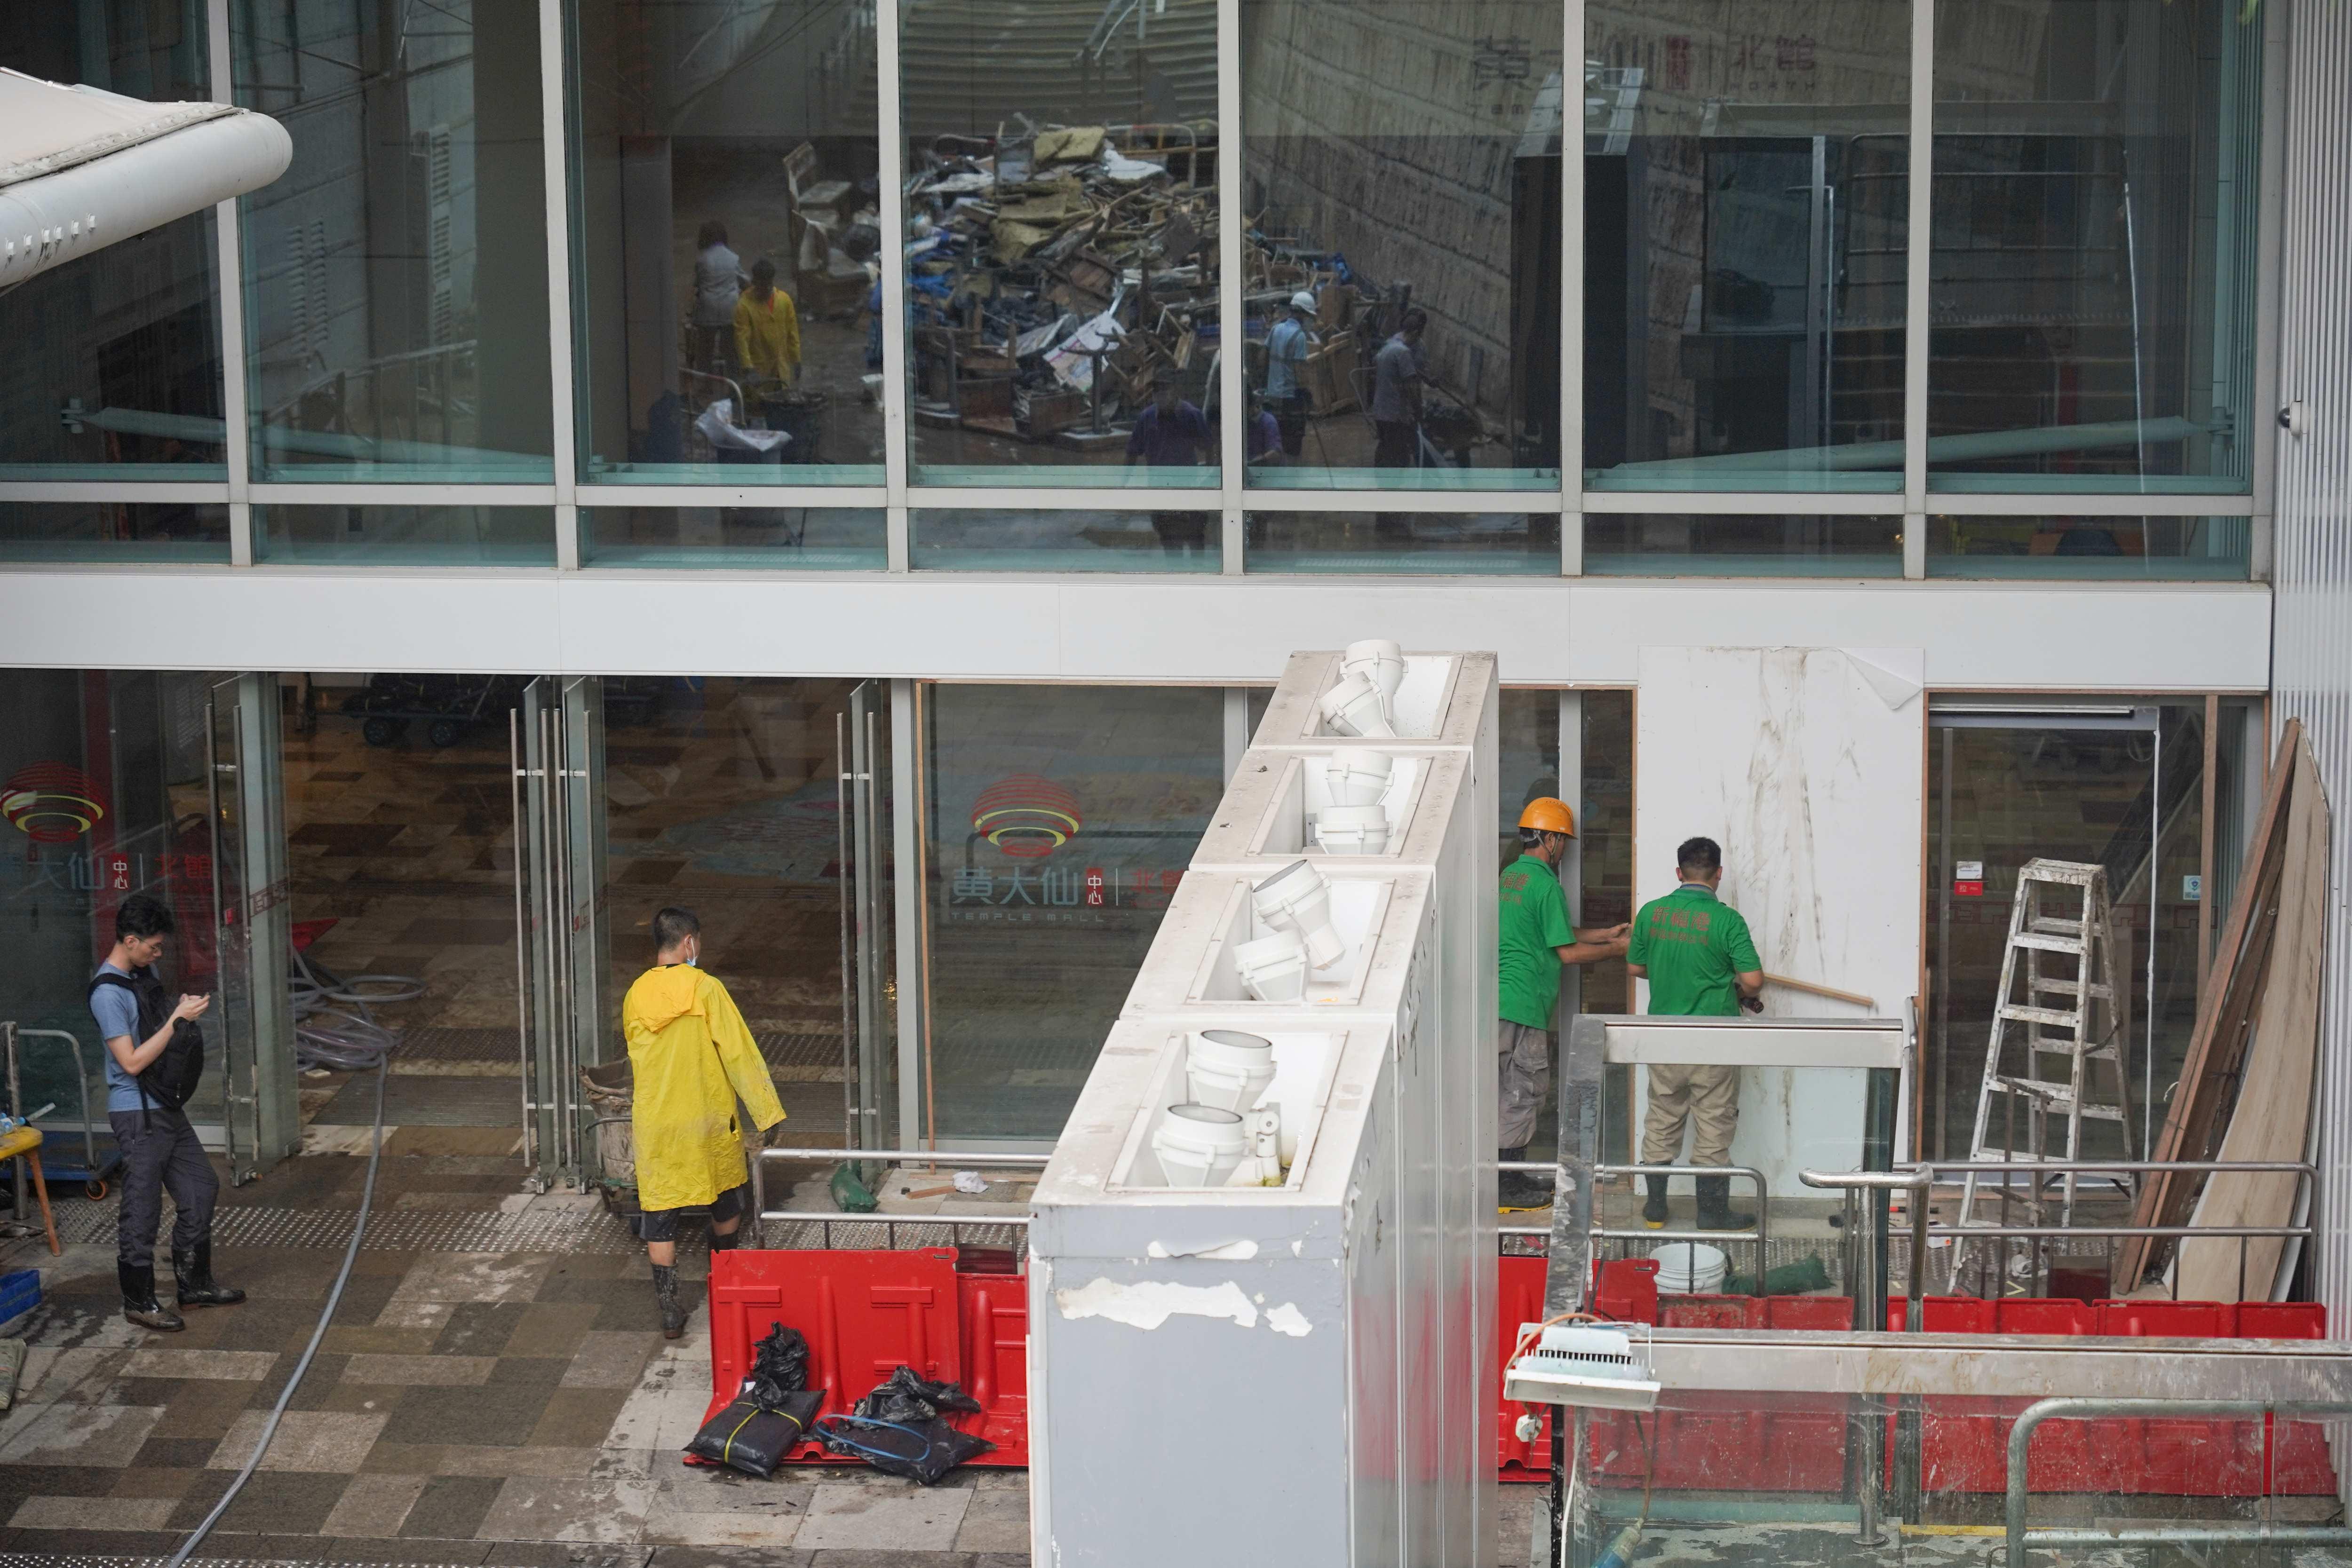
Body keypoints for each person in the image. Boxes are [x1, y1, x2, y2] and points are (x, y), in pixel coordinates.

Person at [622, 906, 787, 1338]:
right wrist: (767, 1112)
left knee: (660, 1213)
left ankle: (670, 1310)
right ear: (689, 942)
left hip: (658, 1122)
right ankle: (723, 1283)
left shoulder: (636, 994)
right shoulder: (707, 989)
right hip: (707, 1118)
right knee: (726, 1199)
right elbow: (739, 1053)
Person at [90, 894, 243, 1332]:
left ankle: (194, 1285)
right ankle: (139, 1301)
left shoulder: (144, 974)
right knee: (142, 1209)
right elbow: (131, 1062)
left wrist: (178, 1012)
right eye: (154, 947)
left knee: (201, 1187)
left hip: (165, 1106)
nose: (159, 954)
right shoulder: (107, 994)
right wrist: (176, 1020)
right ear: (131, 941)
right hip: (137, 1114)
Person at [1625, 836, 1765, 1231]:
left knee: (1662, 1115)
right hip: (1713, 1039)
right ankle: (1711, 1212)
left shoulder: (1651, 913)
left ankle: (1655, 1209)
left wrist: (1670, 972)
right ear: (1718, 873)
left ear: (1679, 872)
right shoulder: (1727, 920)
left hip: (1664, 1037)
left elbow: (1635, 967)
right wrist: (1735, 986)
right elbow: (1753, 981)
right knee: (1714, 1121)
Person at [1496, 798, 1629, 1210]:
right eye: (1564, 841)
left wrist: (1604, 934)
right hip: (1525, 1002)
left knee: (1502, 1090)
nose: (1565, 850)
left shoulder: (1511, 877)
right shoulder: (1546, 884)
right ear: (1550, 839)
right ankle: (1508, 1186)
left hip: (1501, 1000)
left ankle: (1506, 1176)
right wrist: (1618, 950)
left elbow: (1552, 931)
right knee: (1523, 1090)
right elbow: (1567, 953)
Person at [1128, 380, 1215, 558]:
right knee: (1168, 539)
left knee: (1195, 537)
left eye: (1165, 392)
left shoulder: (1191, 415)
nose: (1161, 397)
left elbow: (1208, 446)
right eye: (1157, 393)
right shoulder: (1147, 417)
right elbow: (1132, 452)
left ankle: (1199, 573)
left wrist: (1209, 475)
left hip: (1189, 487)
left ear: (1174, 392)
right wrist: (1122, 482)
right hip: (1159, 488)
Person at [1370, 307, 1429, 468]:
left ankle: (1380, 480)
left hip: (1380, 411)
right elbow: (1412, 387)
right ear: (1416, 333)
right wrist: (1419, 412)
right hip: (1395, 414)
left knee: (1385, 448)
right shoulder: (1404, 353)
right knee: (1400, 457)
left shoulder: (1388, 346)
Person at [732, 257, 802, 391]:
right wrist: (748, 368)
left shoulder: (784, 300)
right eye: (762, 286)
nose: (767, 289)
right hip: (759, 370)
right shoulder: (744, 306)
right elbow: (741, 339)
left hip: (781, 368)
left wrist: (796, 358)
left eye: (769, 285)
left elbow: (792, 331)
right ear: (754, 283)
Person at [1264, 291, 1316, 457]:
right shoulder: (1299, 336)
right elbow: (1299, 372)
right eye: (1309, 316)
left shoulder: (1276, 329)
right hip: (1290, 399)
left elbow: (1262, 359)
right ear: (1301, 313)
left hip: (1273, 396)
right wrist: (1308, 394)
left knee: (1275, 441)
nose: (1309, 320)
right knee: (1293, 443)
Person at [692, 221, 744, 374]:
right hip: (730, 308)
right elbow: (745, 280)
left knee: (705, 350)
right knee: (731, 349)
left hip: (708, 309)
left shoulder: (702, 260)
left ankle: (706, 381)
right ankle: (733, 381)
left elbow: (698, 283)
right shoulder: (733, 258)